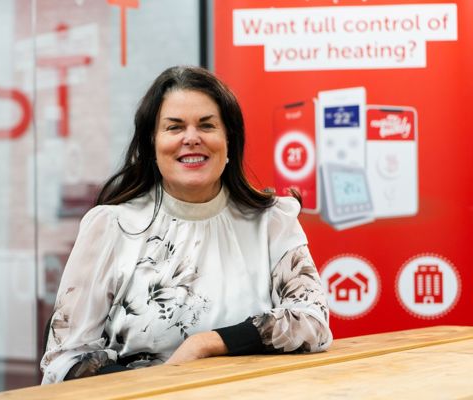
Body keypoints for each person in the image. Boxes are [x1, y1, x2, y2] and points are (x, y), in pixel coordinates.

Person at [40, 66, 332, 384]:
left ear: (229, 140)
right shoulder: (111, 227)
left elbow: (312, 321)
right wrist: (161, 384)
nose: (191, 138)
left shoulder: (271, 221)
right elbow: (64, 360)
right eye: (174, 127)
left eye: (207, 125)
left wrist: (205, 344)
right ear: (152, 143)